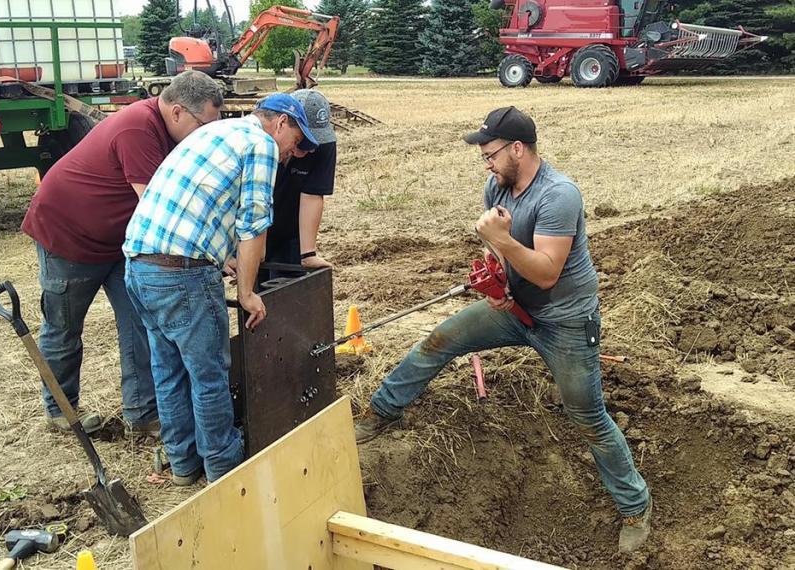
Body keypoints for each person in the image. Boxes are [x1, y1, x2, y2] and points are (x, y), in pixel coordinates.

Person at [353, 107, 652, 553]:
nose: (486, 163)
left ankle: (635, 506)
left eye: (491, 154)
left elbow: (548, 272)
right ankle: (381, 412)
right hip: (513, 308)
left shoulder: (559, 195)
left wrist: (504, 241)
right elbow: (499, 249)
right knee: (440, 340)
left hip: (565, 320)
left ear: (518, 148)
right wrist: (496, 280)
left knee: (587, 416)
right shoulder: (498, 185)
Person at [123, 93, 318, 485]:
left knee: (168, 369)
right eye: (298, 142)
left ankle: (183, 464)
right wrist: (247, 293)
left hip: (139, 264)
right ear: (280, 123)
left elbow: (202, 206)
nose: (295, 154)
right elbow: (253, 225)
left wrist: (219, 252)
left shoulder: (216, 131)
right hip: (181, 274)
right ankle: (224, 470)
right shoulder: (261, 144)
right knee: (209, 374)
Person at [21, 71, 223, 434]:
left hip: (119, 240)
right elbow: (158, 208)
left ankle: (142, 413)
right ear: (177, 112)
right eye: (204, 125)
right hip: (68, 234)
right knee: (64, 327)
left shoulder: (170, 132)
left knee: (139, 321)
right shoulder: (138, 128)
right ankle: (60, 412)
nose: (207, 135)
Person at [261, 89, 337, 283]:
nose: (311, 150)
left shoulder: (325, 145)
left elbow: (312, 194)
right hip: (252, 228)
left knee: (287, 293)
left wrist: (308, 254)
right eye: (303, 141)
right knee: (254, 296)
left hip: (291, 228)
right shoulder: (260, 143)